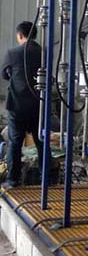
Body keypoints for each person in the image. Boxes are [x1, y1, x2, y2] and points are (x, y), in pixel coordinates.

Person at [1, 21, 43, 188]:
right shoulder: (43, 53)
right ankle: (45, 180)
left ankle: (13, 180)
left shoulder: (12, 53)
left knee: (15, 144)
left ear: (20, 35)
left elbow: (4, 74)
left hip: (17, 106)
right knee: (41, 142)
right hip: (38, 105)